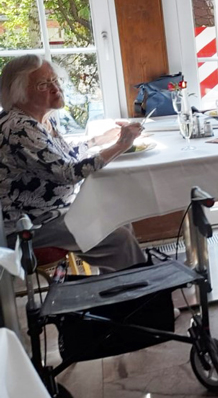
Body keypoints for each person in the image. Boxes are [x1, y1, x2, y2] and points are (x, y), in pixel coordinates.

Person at [0, 55, 145, 272]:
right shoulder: (19, 127)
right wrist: (121, 146)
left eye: (55, 80)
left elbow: (62, 156)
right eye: (43, 84)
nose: (55, 87)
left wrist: (99, 140)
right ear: (19, 93)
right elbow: (67, 173)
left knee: (117, 218)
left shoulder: (41, 120)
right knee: (118, 238)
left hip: (50, 213)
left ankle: (122, 292)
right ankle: (139, 299)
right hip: (27, 226)